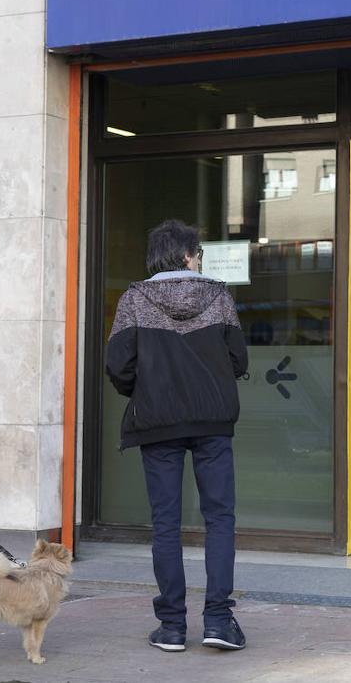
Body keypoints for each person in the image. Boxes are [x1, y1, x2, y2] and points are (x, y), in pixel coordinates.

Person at [106, 220, 249, 653]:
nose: (199, 260)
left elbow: (118, 366)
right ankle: (218, 621)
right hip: (212, 422)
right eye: (198, 253)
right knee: (219, 519)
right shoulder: (219, 297)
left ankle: (171, 627)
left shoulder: (134, 299)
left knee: (165, 523)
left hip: (159, 423)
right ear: (187, 256)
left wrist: (147, 390)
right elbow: (239, 360)